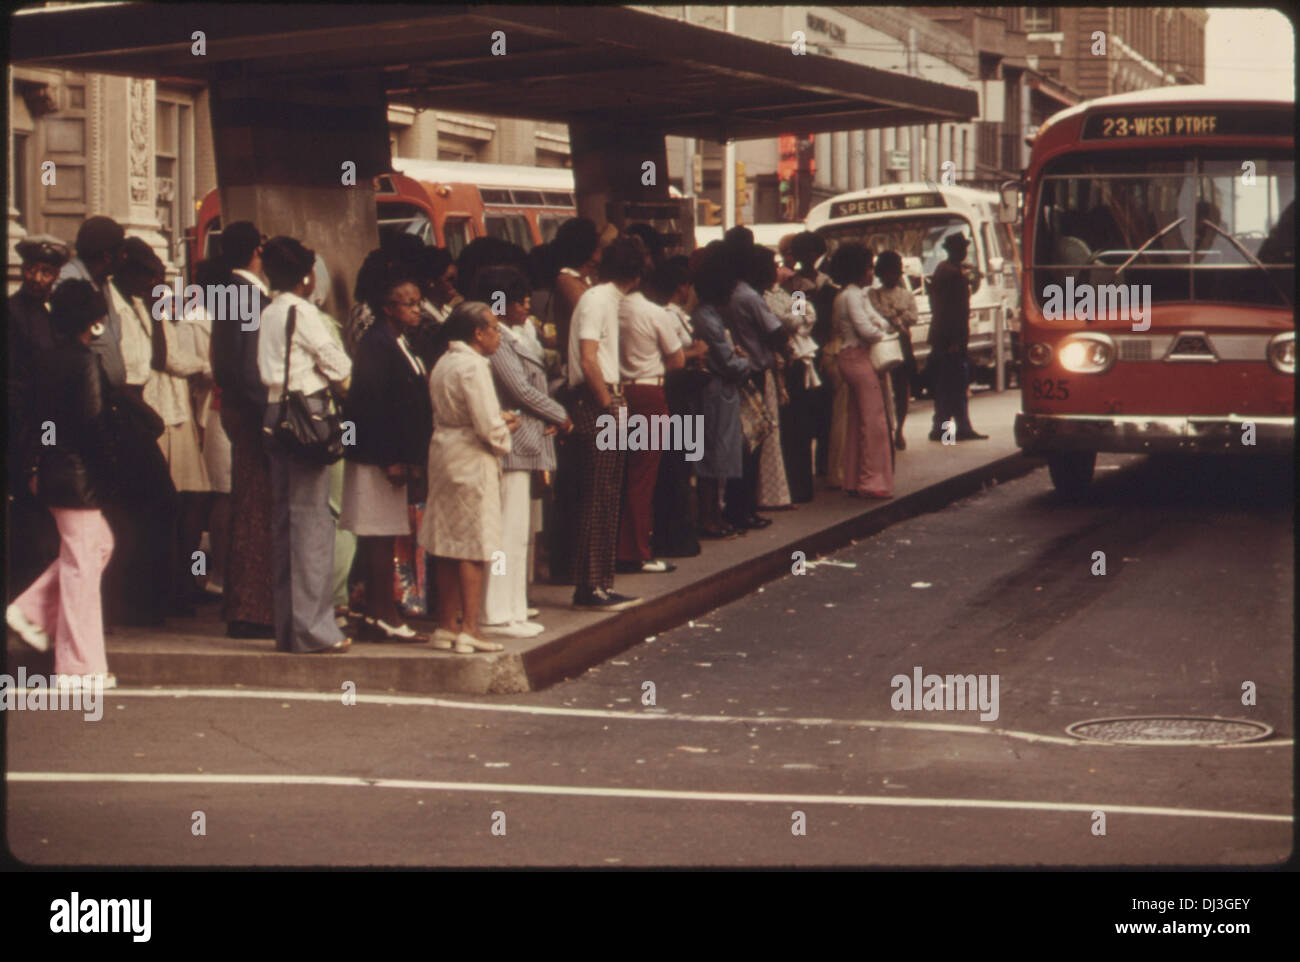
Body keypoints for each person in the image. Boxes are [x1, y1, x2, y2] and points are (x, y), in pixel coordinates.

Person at [7, 280, 120, 688]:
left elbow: (41, 422)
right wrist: (107, 470)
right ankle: (78, 667)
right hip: (78, 475)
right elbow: (93, 425)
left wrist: (41, 461)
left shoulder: (45, 360)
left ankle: (32, 609)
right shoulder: (85, 362)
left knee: (93, 549)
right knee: (84, 566)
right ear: (92, 322)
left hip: (53, 468)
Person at [257, 236, 353, 655]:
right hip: (306, 417)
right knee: (312, 523)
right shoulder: (305, 312)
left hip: (274, 416)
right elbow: (341, 366)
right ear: (306, 276)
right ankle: (315, 630)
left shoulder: (268, 313)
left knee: (284, 522)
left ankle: (288, 628)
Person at [475, 266, 572, 636]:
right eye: (520, 300)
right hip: (510, 445)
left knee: (517, 534)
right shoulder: (495, 341)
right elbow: (520, 389)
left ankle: (511, 604)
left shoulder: (510, 337)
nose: (526, 307)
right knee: (505, 533)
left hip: (523, 441)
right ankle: (496, 610)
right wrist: (559, 415)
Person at [419, 302, 519, 652]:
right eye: (493, 328)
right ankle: (471, 628)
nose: (497, 334)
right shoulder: (474, 366)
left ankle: (447, 624)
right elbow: (486, 424)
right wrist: (505, 426)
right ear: (477, 333)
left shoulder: (444, 361)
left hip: (444, 450)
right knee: (475, 545)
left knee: (447, 542)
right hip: (471, 455)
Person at [339, 270, 433, 642]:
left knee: (384, 534)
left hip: (395, 456)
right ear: (386, 307)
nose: (417, 310)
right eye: (408, 304)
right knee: (378, 535)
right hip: (378, 457)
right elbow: (371, 406)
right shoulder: (376, 344)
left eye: (418, 302)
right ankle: (383, 612)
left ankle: (379, 609)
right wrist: (390, 459)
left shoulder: (400, 341)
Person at [567, 237, 645, 611]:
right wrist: (609, 404)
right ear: (637, 273)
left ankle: (599, 581)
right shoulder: (598, 300)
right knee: (599, 495)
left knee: (607, 493)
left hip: (608, 396)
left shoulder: (605, 300)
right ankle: (590, 586)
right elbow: (587, 359)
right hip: (598, 399)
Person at [211, 221, 277, 639]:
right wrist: (266, 410)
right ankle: (253, 609)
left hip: (234, 408)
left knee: (247, 503)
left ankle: (244, 603)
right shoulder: (249, 294)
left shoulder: (227, 291)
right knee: (258, 507)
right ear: (257, 249)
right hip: (252, 411)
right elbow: (248, 363)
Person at [615, 239, 686, 575]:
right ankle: (637, 551)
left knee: (618, 473)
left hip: (616, 394)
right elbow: (677, 360)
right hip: (649, 393)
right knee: (643, 476)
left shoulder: (608, 309)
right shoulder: (654, 313)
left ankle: (618, 545)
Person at [8, 235, 71, 595]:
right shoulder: (11, 313)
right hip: (21, 426)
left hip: (45, 426)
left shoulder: (53, 316)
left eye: (45, 272)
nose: (36, 278)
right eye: (31, 269)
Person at [722, 236, 789, 528]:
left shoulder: (735, 293)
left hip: (742, 369)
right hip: (755, 370)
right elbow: (782, 329)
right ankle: (744, 509)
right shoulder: (753, 296)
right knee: (753, 442)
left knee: (747, 442)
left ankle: (743, 507)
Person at [692, 243, 755, 538]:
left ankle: (716, 515)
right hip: (718, 391)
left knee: (718, 457)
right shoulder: (710, 320)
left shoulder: (710, 316)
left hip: (722, 391)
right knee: (713, 458)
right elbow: (730, 363)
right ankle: (711, 517)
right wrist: (743, 360)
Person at [648, 258, 707, 558]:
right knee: (678, 466)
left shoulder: (675, 314)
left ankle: (681, 530)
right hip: (677, 393)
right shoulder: (667, 316)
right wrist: (696, 351)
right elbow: (671, 355)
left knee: (684, 464)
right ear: (680, 287)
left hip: (684, 394)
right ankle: (676, 535)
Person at [830, 243, 894, 499]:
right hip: (858, 357)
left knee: (857, 420)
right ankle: (871, 480)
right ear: (859, 269)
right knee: (874, 422)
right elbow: (867, 328)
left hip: (848, 358)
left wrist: (879, 326)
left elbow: (874, 320)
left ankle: (855, 478)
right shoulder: (854, 296)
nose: (872, 272)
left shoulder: (850, 294)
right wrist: (885, 333)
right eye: (869, 266)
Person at [763, 247, 821, 503]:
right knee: (791, 429)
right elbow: (794, 320)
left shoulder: (785, 292)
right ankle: (793, 487)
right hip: (785, 365)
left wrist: (797, 316)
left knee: (800, 429)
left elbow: (805, 315)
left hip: (798, 362)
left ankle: (801, 486)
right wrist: (797, 317)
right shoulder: (764, 297)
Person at [928, 233, 988, 441]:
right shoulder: (953, 274)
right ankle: (952, 428)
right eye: (961, 248)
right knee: (953, 386)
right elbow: (951, 310)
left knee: (949, 385)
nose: (963, 252)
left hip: (944, 337)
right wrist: (954, 341)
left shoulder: (943, 270)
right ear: (956, 250)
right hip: (951, 338)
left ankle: (947, 427)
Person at [56, 216, 128, 388]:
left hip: (108, 396)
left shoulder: (103, 282)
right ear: (107, 256)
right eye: (121, 252)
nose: (125, 257)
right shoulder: (68, 282)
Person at [868, 251, 920, 450]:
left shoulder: (906, 294)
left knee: (902, 388)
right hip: (883, 344)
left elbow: (913, 317)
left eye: (895, 272)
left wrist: (895, 316)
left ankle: (900, 428)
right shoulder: (874, 294)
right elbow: (878, 313)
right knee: (883, 388)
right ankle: (888, 428)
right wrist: (898, 315)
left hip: (903, 342)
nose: (892, 276)